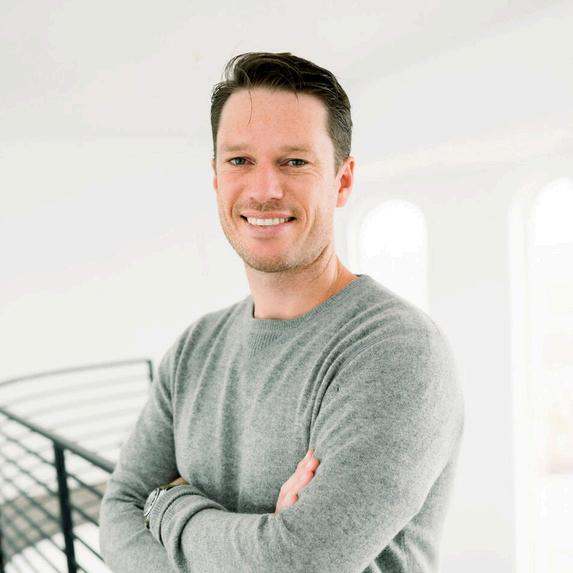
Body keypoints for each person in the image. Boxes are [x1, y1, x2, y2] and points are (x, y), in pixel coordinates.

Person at [99, 51, 464, 572]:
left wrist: (166, 505)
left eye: (294, 162)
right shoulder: (194, 349)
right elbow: (117, 514)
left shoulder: (397, 350)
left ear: (342, 181)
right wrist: (257, 544)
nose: (265, 190)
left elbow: (294, 564)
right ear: (216, 177)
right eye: (239, 161)